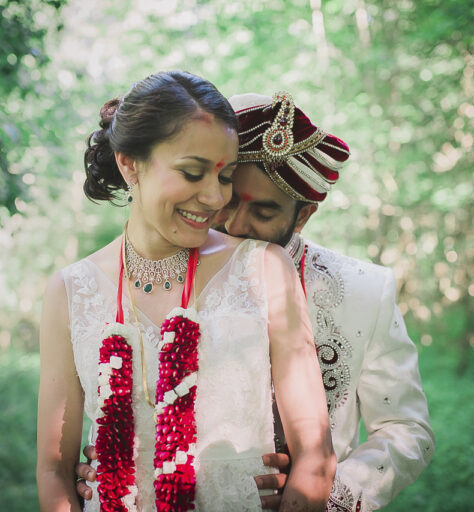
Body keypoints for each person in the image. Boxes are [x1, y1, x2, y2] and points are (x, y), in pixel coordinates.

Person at [75, 91, 434, 511]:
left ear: (303, 216)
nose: (234, 224)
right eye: (228, 200)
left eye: (263, 213)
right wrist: (114, 469)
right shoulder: (158, 275)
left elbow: (407, 430)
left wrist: (321, 492)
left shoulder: (363, 291)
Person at [37, 72, 336, 512]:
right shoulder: (70, 290)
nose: (215, 198)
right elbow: (54, 472)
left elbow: (315, 456)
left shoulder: (264, 269)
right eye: (192, 173)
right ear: (129, 163)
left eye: (225, 176)